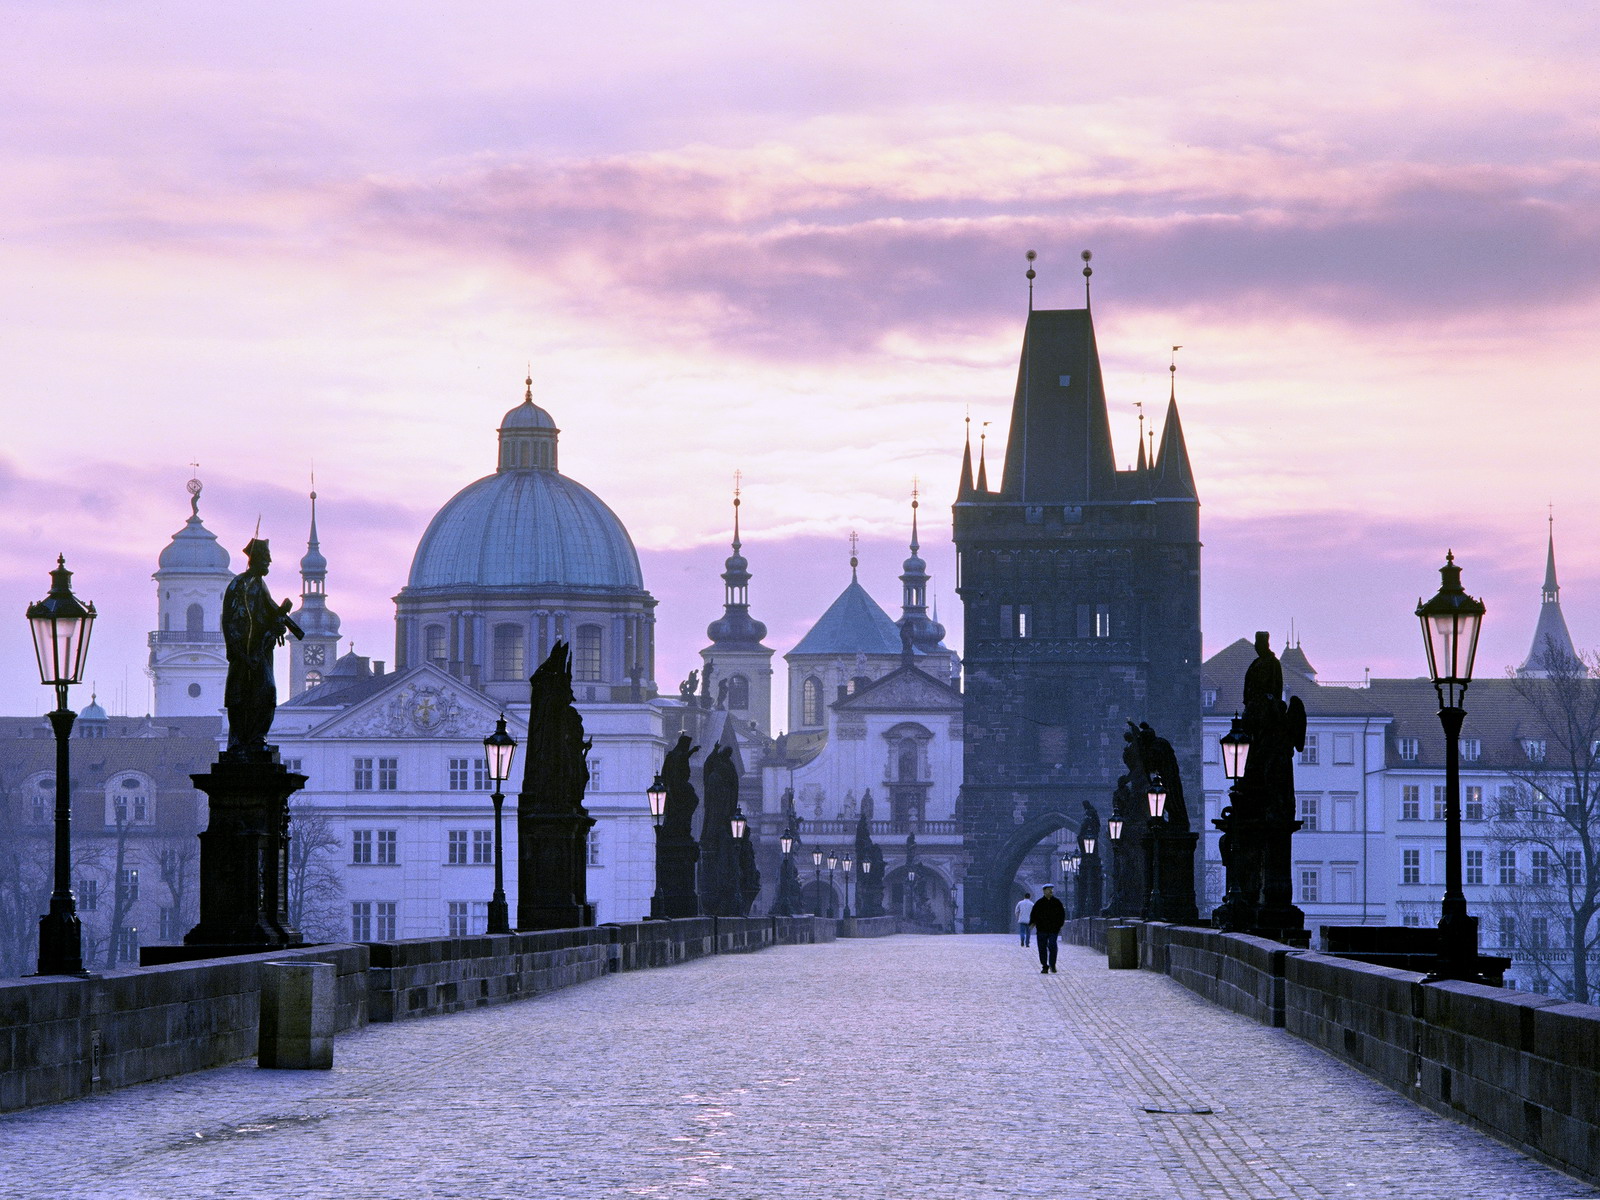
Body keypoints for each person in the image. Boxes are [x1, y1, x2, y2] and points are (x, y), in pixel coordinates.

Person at [1029, 884, 1066, 973]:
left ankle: (1052, 964)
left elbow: (1062, 914)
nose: (1051, 891)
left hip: (1053, 929)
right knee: (1042, 947)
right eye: (1049, 889)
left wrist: (1059, 925)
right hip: (1042, 929)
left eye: (1051, 889)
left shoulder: (1057, 902)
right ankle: (1045, 965)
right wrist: (1032, 923)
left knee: (1052, 946)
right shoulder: (1039, 903)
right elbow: (1034, 914)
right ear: (1044, 891)